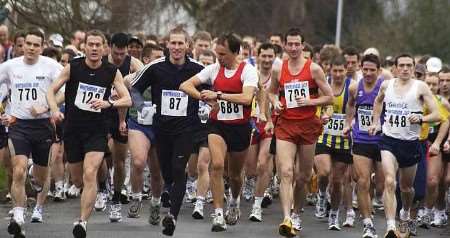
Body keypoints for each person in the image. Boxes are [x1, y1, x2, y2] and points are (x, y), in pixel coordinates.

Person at [47, 29, 131, 238]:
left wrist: (108, 103)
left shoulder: (111, 71)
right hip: (73, 129)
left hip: (97, 129)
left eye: (98, 45)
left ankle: (82, 222)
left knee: (89, 172)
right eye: (90, 44)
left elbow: (127, 99)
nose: (94, 48)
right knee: (78, 180)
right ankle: (103, 184)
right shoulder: (73, 67)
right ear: (84, 46)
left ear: (104, 48)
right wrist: (55, 110)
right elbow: (51, 91)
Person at [180, 32, 258, 232]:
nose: (219, 58)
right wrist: (203, 97)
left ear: (235, 52)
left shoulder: (247, 71)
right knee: (216, 165)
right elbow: (185, 85)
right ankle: (218, 214)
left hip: (240, 128)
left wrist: (219, 95)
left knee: (235, 175)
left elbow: (247, 98)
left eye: (223, 54)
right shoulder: (214, 69)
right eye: (217, 54)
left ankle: (233, 200)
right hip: (218, 125)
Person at [130, 27, 204, 236]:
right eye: (174, 43)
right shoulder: (155, 67)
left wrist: (207, 104)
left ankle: (172, 216)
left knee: (179, 168)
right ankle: (169, 190)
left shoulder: (198, 69)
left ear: (188, 45)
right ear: (167, 45)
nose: (177, 47)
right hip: (161, 128)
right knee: (167, 173)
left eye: (181, 43)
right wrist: (142, 106)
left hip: (186, 128)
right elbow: (134, 87)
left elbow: (212, 87)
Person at [266, 28, 333, 237]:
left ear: (303, 45)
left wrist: (311, 101)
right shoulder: (279, 69)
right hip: (285, 124)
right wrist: (275, 101)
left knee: (303, 176)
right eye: (290, 44)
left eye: (297, 44)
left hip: (307, 126)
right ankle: (286, 218)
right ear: (285, 45)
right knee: (286, 171)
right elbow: (270, 91)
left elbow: (329, 97)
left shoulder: (314, 69)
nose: (293, 48)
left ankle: (296, 213)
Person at [368, 53, 439, 238]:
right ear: (396, 68)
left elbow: (437, 114)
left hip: (410, 144)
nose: (405, 69)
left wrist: (422, 118)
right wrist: (376, 122)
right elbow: (378, 101)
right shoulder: (387, 85)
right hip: (388, 141)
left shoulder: (420, 87)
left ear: (413, 68)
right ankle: (391, 226)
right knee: (390, 181)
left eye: (409, 65)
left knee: (407, 188)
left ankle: (405, 213)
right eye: (402, 65)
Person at [1, 28, 63, 237]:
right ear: (23, 44)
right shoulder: (10, 66)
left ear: (42, 47)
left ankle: (33, 175)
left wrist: (47, 108)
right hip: (18, 125)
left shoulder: (51, 66)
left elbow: (64, 92)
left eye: (36, 45)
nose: (31, 48)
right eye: (28, 43)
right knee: (17, 170)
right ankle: (18, 216)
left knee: (40, 179)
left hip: (43, 126)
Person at [103, 32, 144, 222]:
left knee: (120, 160)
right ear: (109, 47)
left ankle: (116, 198)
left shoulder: (134, 64)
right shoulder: (101, 62)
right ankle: (102, 187)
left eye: (123, 54)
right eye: (116, 53)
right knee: (98, 154)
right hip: (101, 112)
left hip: (124, 114)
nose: (119, 58)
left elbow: (144, 90)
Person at [343, 54, 385, 238]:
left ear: (379, 70)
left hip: (383, 140)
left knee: (383, 184)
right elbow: (350, 106)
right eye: (365, 69)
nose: (368, 73)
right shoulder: (354, 87)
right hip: (361, 139)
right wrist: (348, 122)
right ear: (361, 68)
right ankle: (367, 223)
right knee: (362, 181)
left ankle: (376, 196)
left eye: (372, 70)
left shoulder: (385, 86)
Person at [314, 55, 353, 231]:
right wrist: (321, 116)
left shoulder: (352, 87)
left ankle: (334, 214)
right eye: (334, 71)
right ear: (330, 71)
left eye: (341, 71)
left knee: (338, 181)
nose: (337, 74)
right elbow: (318, 105)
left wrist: (349, 124)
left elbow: (357, 111)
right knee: (323, 172)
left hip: (343, 139)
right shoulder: (324, 84)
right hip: (324, 135)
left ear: (346, 70)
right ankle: (322, 195)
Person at [248, 43, 278, 222]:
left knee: (262, 164)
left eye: (270, 56)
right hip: (251, 123)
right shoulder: (251, 75)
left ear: (275, 57)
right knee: (251, 169)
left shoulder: (278, 77)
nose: (267, 60)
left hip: (270, 124)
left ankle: (257, 205)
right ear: (257, 56)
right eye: (264, 56)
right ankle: (252, 185)